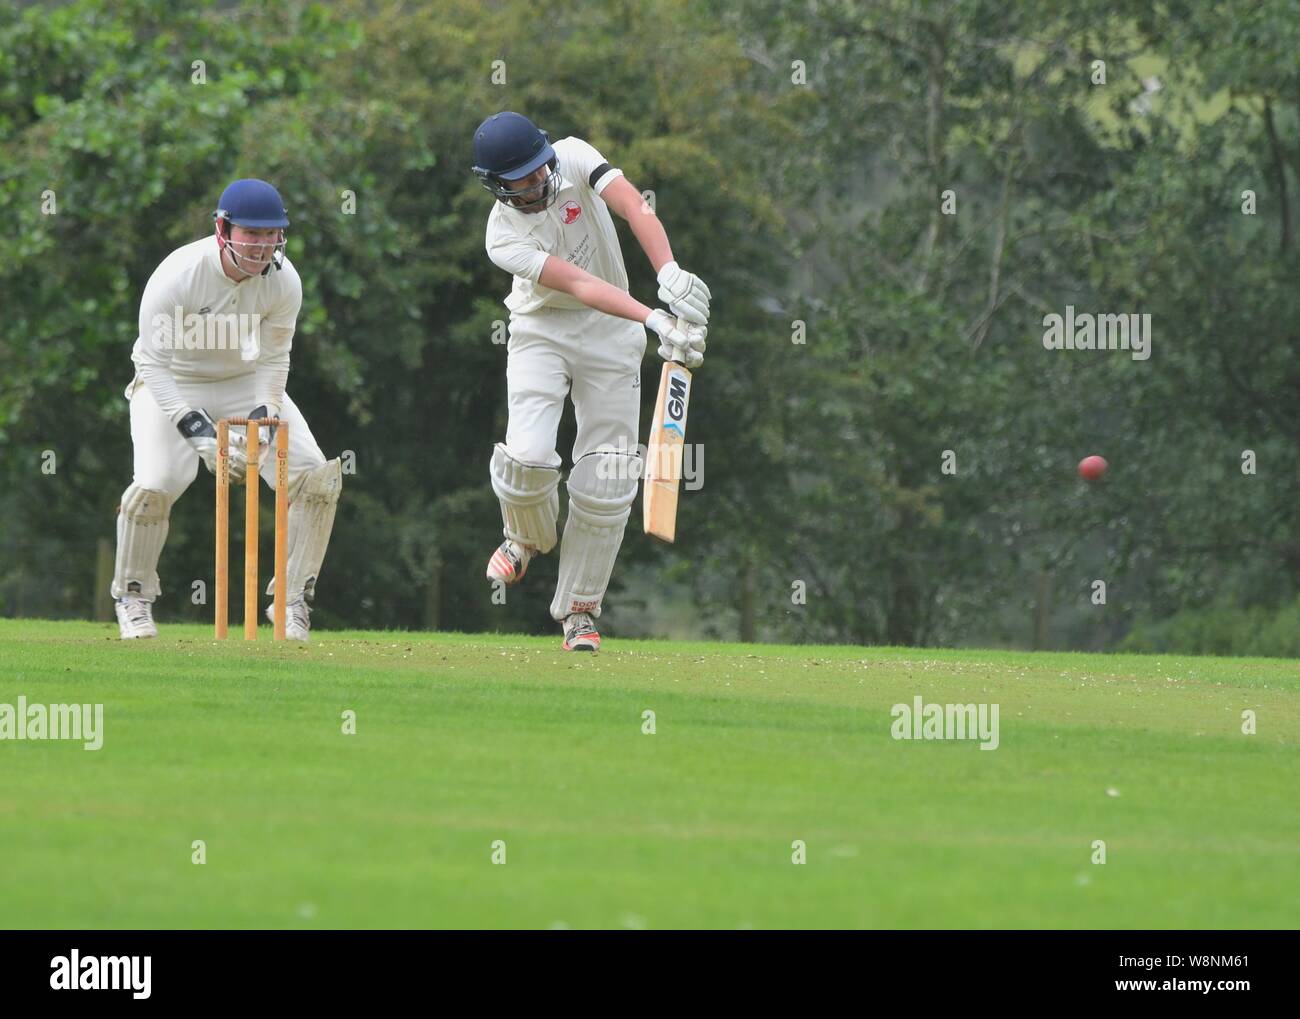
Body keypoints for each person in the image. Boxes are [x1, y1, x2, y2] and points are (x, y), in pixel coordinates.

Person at [472, 111, 709, 651]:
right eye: (522, 180)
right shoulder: (502, 235)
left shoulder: (575, 154)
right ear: (495, 185)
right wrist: (654, 319)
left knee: (608, 477)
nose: (537, 182)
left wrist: (668, 272)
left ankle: (580, 610)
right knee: (528, 458)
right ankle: (524, 538)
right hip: (542, 331)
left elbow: (632, 205)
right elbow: (578, 283)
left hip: (611, 335)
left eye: (540, 169)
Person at [111, 178, 342, 641]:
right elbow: (151, 364)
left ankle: (291, 599)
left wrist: (262, 417)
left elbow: (276, 359)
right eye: (251, 234)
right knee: (157, 484)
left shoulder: (284, 281)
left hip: (243, 382)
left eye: (271, 234)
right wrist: (200, 436)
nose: (261, 246)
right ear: (223, 228)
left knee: (316, 478)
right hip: (170, 383)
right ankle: (133, 596)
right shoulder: (178, 275)